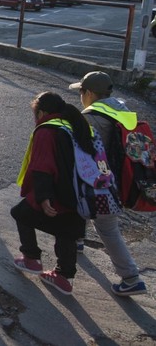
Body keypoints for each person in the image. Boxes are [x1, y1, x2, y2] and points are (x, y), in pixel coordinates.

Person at [68, 71, 148, 296]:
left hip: (103, 182)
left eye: (82, 92)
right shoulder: (122, 109)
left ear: (90, 93)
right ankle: (77, 240)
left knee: (107, 226)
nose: (81, 96)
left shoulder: (92, 116)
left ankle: (131, 278)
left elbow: (84, 151)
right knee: (82, 204)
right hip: (123, 177)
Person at [11, 91, 92, 296]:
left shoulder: (46, 131)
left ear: (42, 113)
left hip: (55, 192)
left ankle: (31, 258)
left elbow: (42, 166)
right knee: (66, 232)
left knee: (21, 214)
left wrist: (43, 197)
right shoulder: (72, 125)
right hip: (78, 192)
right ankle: (64, 277)